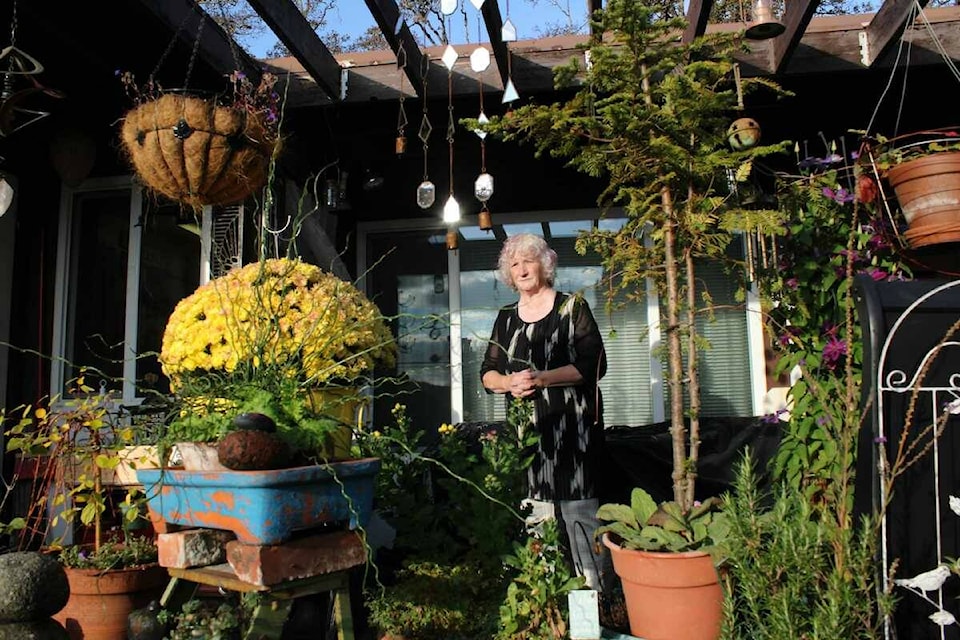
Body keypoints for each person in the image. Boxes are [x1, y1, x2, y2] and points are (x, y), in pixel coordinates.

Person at [480, 233, 610, 591]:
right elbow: (487, 373)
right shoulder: (505, 319)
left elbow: (594, 364)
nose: (522, 269)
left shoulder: (572, 308)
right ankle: (546, 598)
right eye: (514, 263)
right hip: (529, 438)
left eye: (529, 260)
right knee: (536, 518)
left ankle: (593, 600)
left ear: (545, 265)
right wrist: (508, 383)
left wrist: (543, 378)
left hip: (574, 433)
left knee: (580, 518)